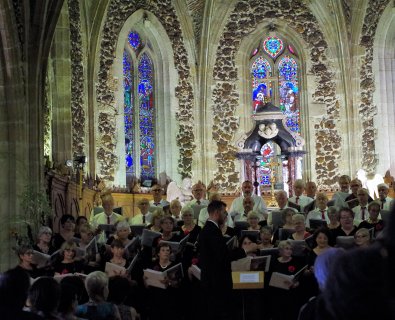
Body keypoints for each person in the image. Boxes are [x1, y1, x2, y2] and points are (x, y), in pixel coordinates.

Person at [199, 200, 257, 320]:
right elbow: (223, 257)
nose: (226, 215)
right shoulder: (212, 231)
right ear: (216, 212)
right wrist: (245, 250)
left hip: (213, 281)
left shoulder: (209, 229)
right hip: (216, 282)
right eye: (224, 212)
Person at [268, 240, 306, 320]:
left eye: (291, 249)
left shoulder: (297, 261)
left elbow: (301, 277)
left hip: (291, 295)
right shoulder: (274, 262)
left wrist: (297, 283)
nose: (289, 251)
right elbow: (269, 278)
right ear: (281, 250)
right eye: (287, 249)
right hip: (277, 295)